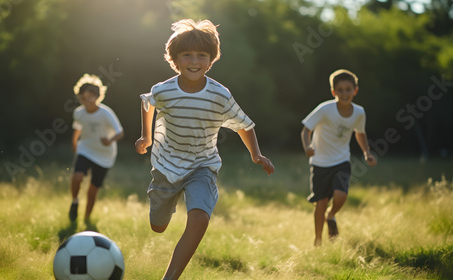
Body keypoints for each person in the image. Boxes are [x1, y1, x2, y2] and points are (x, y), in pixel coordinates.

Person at [135, 19, 275, 280]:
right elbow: (148, 103)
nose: (194, 60)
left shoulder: (219, 94)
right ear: (175, 59)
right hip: (166, 166)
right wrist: (146, 137)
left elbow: (243, 125)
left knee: (199, 218)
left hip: (202, 165)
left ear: (212, 59)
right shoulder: (163, 90)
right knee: (158, 226)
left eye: (202, 55)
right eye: (186, 55)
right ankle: (164, 206)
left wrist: (256, 155)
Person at [301, 69, 377, 246]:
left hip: (341, 160)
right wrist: (308, 146)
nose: (344, 93)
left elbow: (360, 133)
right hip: (320, 162)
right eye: (340, 90)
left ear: (355, 90)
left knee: (341, 195)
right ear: (333, 92)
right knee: (321, 202)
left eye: (348, 89)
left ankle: (331, 214)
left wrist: (367, 152)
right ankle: (318, 240)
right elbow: (306, 129)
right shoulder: (325, 109)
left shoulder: (359, 112)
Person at [68, 74, 124, 223]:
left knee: (92, 191)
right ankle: (74, 202)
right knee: (77, 177)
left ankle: (86, 219)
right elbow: (78, 128)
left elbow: (120, 132)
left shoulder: (106, 113)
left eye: (90, 97)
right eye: (82, 97)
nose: (86, 101)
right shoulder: (78, 113)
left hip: (105, 155)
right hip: (85, 149)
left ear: (98, 97)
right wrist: (75, 143)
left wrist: (110, 140)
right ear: (79, 97)